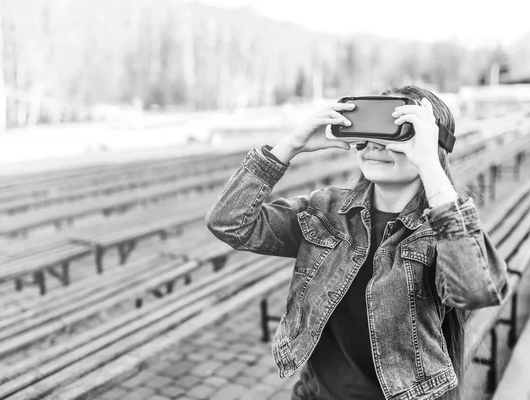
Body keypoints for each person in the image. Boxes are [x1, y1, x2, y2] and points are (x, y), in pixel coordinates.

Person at [205, 85, 510, 400]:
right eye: (367, 131)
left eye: (397, 133)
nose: (375, 146)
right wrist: (290, 145)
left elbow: (477, 289)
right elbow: (229, 222)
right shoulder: (326, 212)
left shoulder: (443, 230)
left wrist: (431, 167)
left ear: (433, 143)